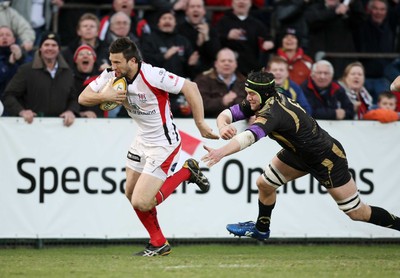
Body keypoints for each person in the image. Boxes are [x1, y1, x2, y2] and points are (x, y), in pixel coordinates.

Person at [201, 69, 400, 241]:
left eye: (252, 94)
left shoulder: (273, 112)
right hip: (298, 153)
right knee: (264, 184)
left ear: (263, 93)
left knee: (357, 212)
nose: (248, 98)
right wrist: (223, 125)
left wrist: (220, 153)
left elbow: (249, 137)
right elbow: (226, 113)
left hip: (326, 158)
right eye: (248, 93)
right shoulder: (261, 101)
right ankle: (261, 230)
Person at [78, 37, 219, 256]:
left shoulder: (153, 75)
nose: (112, 67)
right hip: (141, 140)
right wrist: (104, 95)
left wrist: (200, 123)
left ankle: (186, 171)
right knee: (130, 194)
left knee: (142, 201)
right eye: (111, 62)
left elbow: (190, 87)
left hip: (164, 143)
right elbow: (83, 97)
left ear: (132, 61)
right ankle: (159, 243)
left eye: (117, 63)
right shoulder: (111, 75)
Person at [3, 31, 79, 126]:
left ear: (59, 49)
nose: (50, 48)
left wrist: (71, 111)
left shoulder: (67, 72)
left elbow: (74, 98)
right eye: (46, 44)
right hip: (31, 127)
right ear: (40, 48)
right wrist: (22, 111)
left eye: (54, 45)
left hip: (61, 129)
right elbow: (8, 95)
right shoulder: (26, 70)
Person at [140, 9, 196, 117]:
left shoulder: (182, 41)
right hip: (157, 90)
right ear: (158, 23)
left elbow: (191, 69)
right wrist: (164, 56)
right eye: (164, 18)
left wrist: (192, 64)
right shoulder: (150, 39)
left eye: (170, 19)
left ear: (175, 23)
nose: (167, 21)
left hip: (178, 91)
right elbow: (145, 63)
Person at [304, 0, 366, 78]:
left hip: (342, 60)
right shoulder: (315, 7)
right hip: (321, 61)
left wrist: (354, 3)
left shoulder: (347, 10)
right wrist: (335, 12)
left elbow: (361, 19)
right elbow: (312, 19)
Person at [215, 0, 275, 76]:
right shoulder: (223, 21)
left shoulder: (257, 24)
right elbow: (213, 41)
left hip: (251, 71)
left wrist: (269, 43)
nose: (241, 2)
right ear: (232, 3)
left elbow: (269, 39)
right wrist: (227, 35)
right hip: (228, 72)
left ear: (250, 3)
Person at [356, 0, 396, 103]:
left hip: (383, 78)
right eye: (375, 9)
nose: (379, 12)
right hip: (364, 76)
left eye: (382, 9)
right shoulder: (361, 25)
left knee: (385, 107)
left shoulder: (392, 26)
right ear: (369, 10)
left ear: (387, 12)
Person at [194, 47, 246, 118]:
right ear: (216, 64)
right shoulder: (203, 80)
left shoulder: (244, 82)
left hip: (238, 124)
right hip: (210, 123)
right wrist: (222, 101)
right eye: (223, 61)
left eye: (230, 61)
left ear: (236, 64)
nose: (226, 63)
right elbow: (198, 104)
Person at [176, 0, 221, 79]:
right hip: (185, 75)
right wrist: (198, 45)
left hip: (208, 75)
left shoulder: (211, 29)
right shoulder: (179, 29)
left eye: (199, 6)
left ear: (204, 11)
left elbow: (215, 54)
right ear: (186, 11)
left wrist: (206, 38)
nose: (195, 9)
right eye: (192, 7)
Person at [72, 44, 103, 118]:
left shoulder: (103, 78)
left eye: (89, 54)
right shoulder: (69, 79)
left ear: (94, 60)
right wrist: (80, 114)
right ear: (76, 60)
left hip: (102, 122)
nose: (85, 56)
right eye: (81, 54)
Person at [0, 26, 25, 101]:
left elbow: (32, 76)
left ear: (14, 39)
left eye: (8, 35)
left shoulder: (23, 56)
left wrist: (20, 60)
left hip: (19, 100)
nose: (4, 37)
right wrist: (9, 65)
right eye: (1, 35)